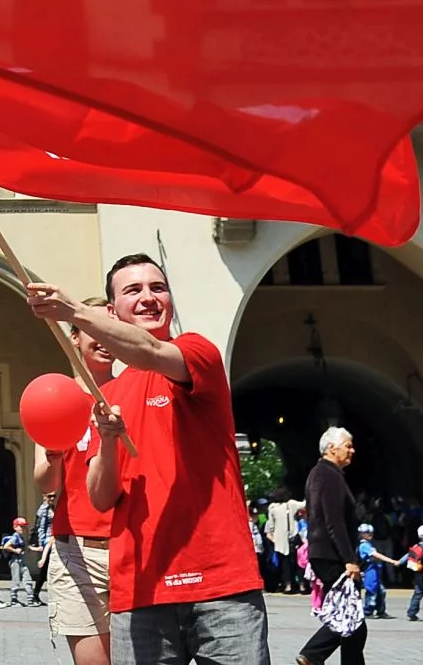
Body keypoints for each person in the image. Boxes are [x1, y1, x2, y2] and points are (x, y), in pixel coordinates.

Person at [33, 253, 269, 665]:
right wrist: (107, 440)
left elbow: (149, 351)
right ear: (113, 310)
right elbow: (102, 497)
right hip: (142, 588)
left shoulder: (196, 352)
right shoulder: (111, 395)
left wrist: (73, 311)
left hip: (220, 585)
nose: (148, 297)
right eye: (133, 290)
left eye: (157, 287)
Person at [34, 304, 118, 665]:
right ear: (75, 336)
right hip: (76, 552)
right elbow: (44, 482)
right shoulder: (57, 399)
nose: (102, 339)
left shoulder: (131, 393)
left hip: (130, 546)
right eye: (91, 330)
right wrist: (53, 457)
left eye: (108, 330)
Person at [298, 427, 366, 665]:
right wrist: (349, 559)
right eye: (347, 445)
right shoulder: (328, 475)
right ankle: (312, 654)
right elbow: (333, 521)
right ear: (331, 448)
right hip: (332, 556)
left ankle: (313, 655)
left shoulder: (322, 473)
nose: (352, 450)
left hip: (325, 554)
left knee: (355, 627)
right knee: (349, 618)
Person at [355, 525, 396, 620]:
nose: (370, 535)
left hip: (375, 571)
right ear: (361, 534)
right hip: (369, 571)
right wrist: (391, 561)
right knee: (371, 590)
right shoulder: (364, 545)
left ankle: (381, 610)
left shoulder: (369, 544)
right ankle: (368, 611)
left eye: (371, 533)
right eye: (367, 533)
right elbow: (375, 555)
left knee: (381, 591)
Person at [5, 517, 44, 607]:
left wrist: (37, 549)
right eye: (21, 526)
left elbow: (27, 547)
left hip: (21, 561)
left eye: (24, 527)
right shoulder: (15, 536)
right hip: (15, 561)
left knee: (27, 578)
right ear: (15, 527)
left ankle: (30, 599)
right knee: (16, 580)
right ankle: (14, 599)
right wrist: (15, 550)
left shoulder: (21, 537)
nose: (23, 529)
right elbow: (6, 546)